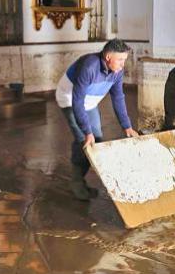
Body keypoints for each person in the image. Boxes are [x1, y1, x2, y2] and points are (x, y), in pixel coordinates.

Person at [55, 39, 139, 200]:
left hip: (90, 102)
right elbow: (77, 101)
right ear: (108, 57)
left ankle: (80, 180)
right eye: (120, 60)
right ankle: (77, 184)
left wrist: (126, 126)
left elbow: (118, 97)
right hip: (69, 99)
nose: (123, 65)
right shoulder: (89, 67)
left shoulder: (117, 72)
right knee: (84, 141)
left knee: (97, 140)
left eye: (124, 60)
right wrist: (87, 131)